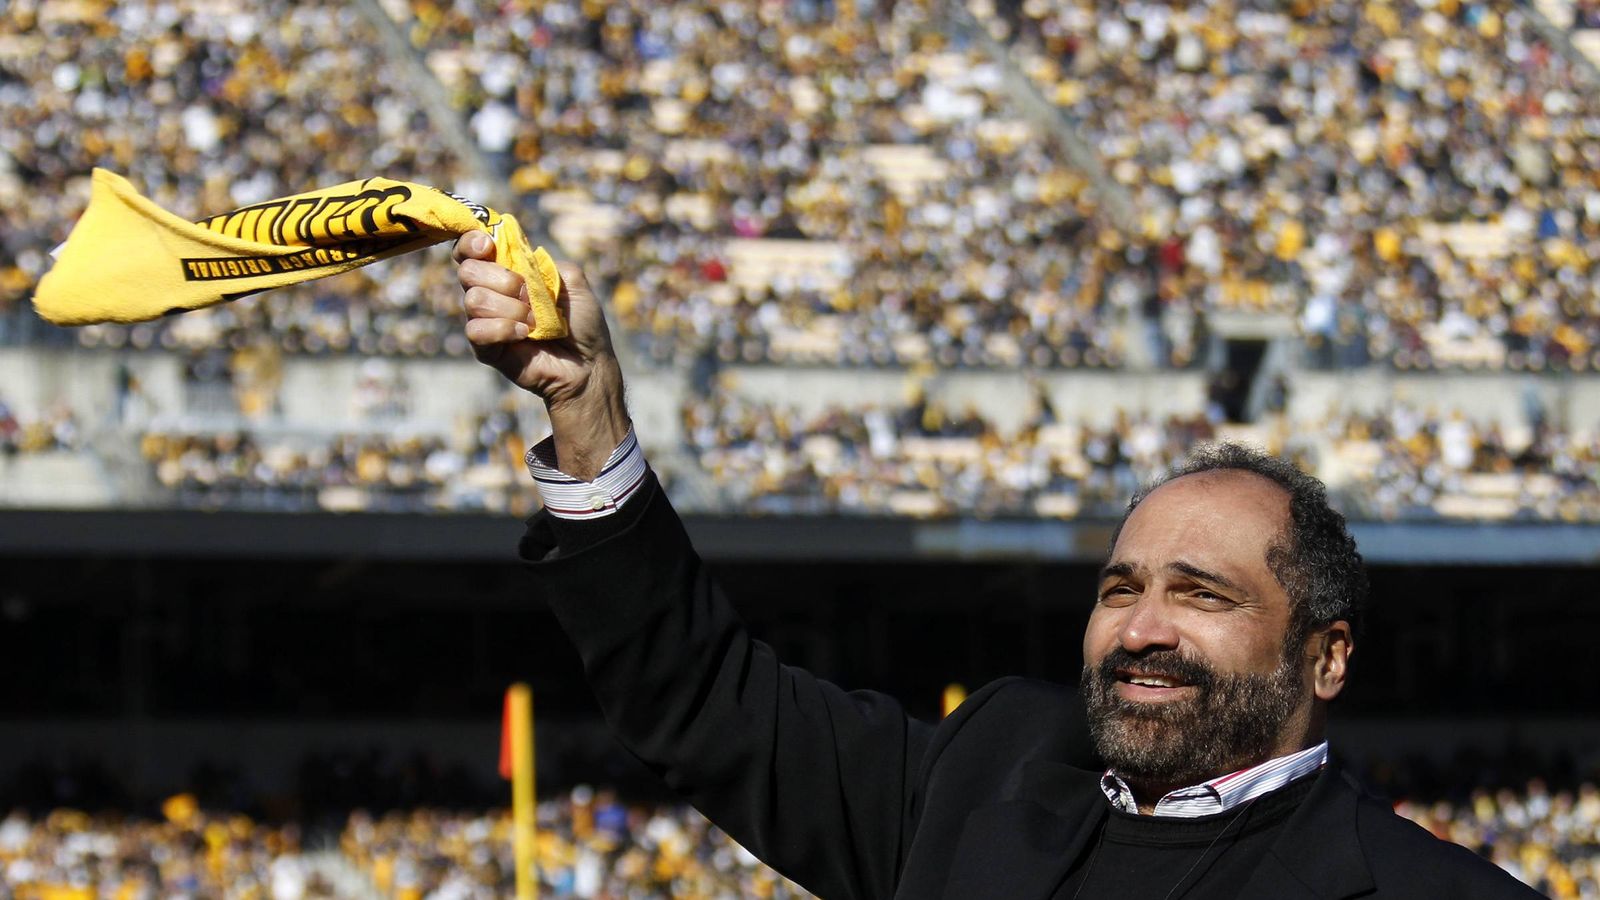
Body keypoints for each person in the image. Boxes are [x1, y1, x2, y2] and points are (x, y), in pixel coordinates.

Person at [452, 230, 1540, 899]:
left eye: (1200, 593)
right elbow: (703, 700)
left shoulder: (1421, 890)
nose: (1142, 627)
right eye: (1122, 588)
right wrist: (586, 411)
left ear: (1325, 656)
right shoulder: (992, 780)